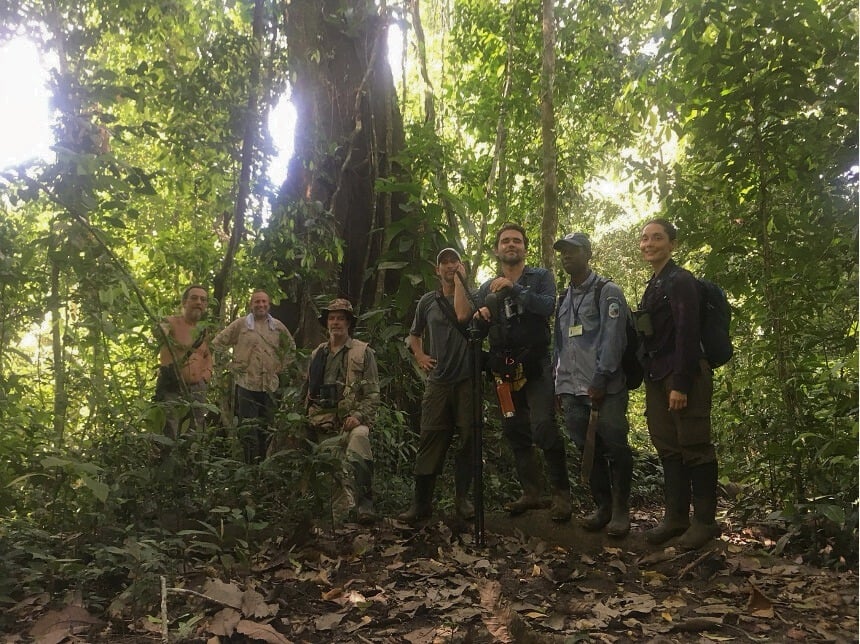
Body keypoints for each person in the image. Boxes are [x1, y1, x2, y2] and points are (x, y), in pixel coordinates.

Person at [454, 222, 572, 522]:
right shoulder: (485, 287)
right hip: (503, 372)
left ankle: (560, 495)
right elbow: (471, 324)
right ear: (497, 249)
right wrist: (481, 317)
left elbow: (547, 307)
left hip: (536, 366)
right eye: (505, 241)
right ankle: (531, 493)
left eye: (516, 241)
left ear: (525, 248)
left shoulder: (540, 277)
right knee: (514, 430)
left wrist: (514, 288)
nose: (511, 245)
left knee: (543, 425)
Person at [637, 218, 720, 550]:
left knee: (694, 444)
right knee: (668, 447)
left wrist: (681, 384)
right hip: (658, 375)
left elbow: (687, 331)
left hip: (683, 373)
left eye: (657, 238)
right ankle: (675, 518)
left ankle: (704, 523)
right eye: (644, 238)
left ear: (672, 243)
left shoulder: (681, 279)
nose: (649, 243)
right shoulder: (654, 283)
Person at [553, 232, 633, 537]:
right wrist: (556, 384)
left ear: (588, 253)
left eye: (573, 251)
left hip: (604, 388)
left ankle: (622, 511)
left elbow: (614, 339)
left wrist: (601, 378)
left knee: (615, 445)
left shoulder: (607, 291)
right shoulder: (564, 297)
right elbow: (558, 344)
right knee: (587, 449)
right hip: (571, 389)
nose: (566, 256)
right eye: (563, 252)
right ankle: (603, 507)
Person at [399, 248, 475, 523]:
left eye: (454, 261)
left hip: (467, 379)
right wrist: (419, 355)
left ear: (461, 265)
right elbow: (413, 334)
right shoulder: (427, 302)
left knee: (468, 439)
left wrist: (462, 286)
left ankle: (462, 499)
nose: (449, 265)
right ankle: (421, 503)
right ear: (437, 269)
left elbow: (466, 318)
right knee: (430, 437)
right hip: (438, 381)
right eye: (444, 262)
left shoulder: (471, 295)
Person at [305, 298, 380, 524]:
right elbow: (308, 393)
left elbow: (373, 394)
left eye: (340, 318)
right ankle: (338, 517)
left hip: (352, 420)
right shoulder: (318, 354)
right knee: (330, 477)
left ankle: (365, 505)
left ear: (348, 323)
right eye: (331, 318)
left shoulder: (363, 352)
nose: (335, 322)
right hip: (323, 422)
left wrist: (357, 416)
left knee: (359, 442)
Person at [212, 290, 296, 463]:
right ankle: (250, 466)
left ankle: (266, 465)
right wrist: (229, 365)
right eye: (257, 302)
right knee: (249, 428)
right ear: (251, 304)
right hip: (246, 385)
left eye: (264, 302)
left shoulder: (277, 326)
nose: (261, 305)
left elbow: (291, 348)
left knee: (267, 427)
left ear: (269, 305)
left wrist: (281, 366)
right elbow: (218, 343)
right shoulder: (241, 325)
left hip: (270, 386)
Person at [155, 284, 213, 439]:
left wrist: (206, 376)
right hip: (172, 388)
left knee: (193, 435)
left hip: (197, 390)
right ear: (184, 302)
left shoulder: (203, 330)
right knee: (170, 433)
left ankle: (190, 463)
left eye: (203, 300)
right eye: (194, 298)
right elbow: (160, 331)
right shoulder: (171, 322)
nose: (199, 302)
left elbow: (207, 355)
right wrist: (160, 330)